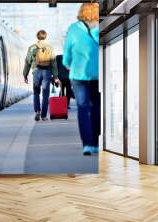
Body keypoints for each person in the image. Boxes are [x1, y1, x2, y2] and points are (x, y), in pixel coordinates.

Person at [62, 3, 100, 156]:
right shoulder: (99, 27)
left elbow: (67, 53)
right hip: (97, 74)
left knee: (83, 109)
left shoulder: (74, 28)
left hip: (78, 74)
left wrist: (67, 63)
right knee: (97, 107)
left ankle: (87, 145)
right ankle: (96, 143)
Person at [23, 30, 59, 121]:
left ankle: (37, 111)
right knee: (46, 95)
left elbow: (27, 62)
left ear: (37, 37)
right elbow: (54, 63)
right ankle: (44, 115)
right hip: (47, 72)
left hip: (36, 72)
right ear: (45, 37)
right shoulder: (50, 48)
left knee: (36, 93)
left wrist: (25, 74)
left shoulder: (32, 48)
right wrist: (55, 77)